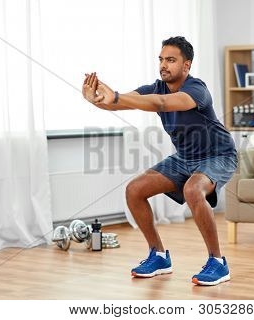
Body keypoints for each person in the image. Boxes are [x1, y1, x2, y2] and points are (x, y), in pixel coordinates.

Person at [82, 36, 237, 286]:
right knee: (134, 190)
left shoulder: (197, 89)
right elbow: (120, 103)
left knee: (193, 190)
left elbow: (162, 104)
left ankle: (217, 263)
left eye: (171, 60)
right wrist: (98, 100)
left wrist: (116, 96)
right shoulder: (156, 87)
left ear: (186, 66)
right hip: (184, 157)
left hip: (218, 155)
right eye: (161, 59)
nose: (164, 65)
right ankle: (159, 256)